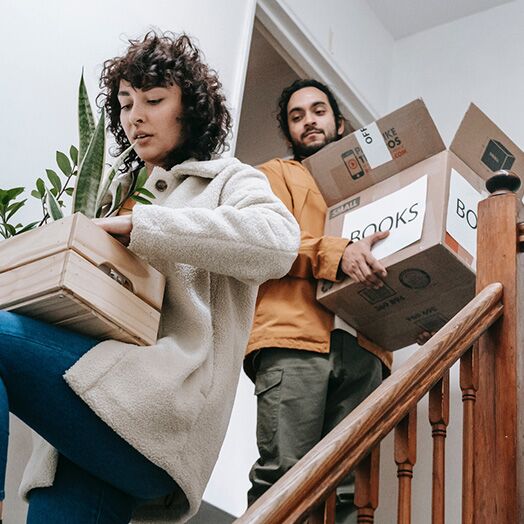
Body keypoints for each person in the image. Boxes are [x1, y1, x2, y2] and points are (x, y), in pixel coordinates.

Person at [0, 32, 300, 523]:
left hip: (153, 411)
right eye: (124, 104)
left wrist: (142, 226)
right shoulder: (114, 190)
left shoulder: (229, 179)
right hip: (80, 428)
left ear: (192, 107)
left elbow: (279, 241)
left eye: (154, 100)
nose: (135, 116)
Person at [245, 79, 393, 523]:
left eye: (318, 110)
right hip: (294, 343)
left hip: (365, 349)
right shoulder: (273, 175)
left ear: (338, 121)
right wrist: (338, 252)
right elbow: (266, 243)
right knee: (282, 480)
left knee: (348, 494)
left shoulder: (378, 186)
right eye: (297, 115)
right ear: (289, 130)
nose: (309, 120)